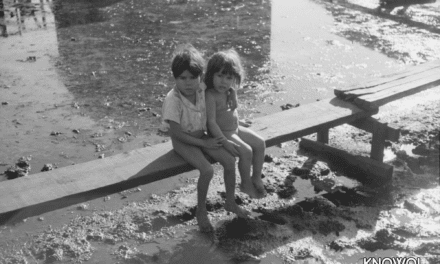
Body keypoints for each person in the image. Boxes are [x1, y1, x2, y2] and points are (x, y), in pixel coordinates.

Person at [161, 44, 250, 233]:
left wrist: (232, 92)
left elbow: (222, 85)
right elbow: (175, 133)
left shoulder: (202, 88)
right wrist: (203, 143)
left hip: (202, 134)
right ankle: (201, 211)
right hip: (183, 141)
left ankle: (230, 202)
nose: (188, 83)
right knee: (207, 170)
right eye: (182, 78)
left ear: (200, 76)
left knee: (229, 160)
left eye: (193, 77)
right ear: (175, 78)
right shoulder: (173, 99)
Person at [205, 49, 267, 199]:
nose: (223, 81)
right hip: (224, 133)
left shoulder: (229, 90)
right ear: (211, 75)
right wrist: (224, 142)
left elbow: (230, 110)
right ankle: (245, 183)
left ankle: (256, 177)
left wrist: (239, 121)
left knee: (260, 143)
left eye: (228, 77)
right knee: (246, 151)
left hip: (235, 128)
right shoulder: (211, 95)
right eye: (219, 76)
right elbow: (211, 122)